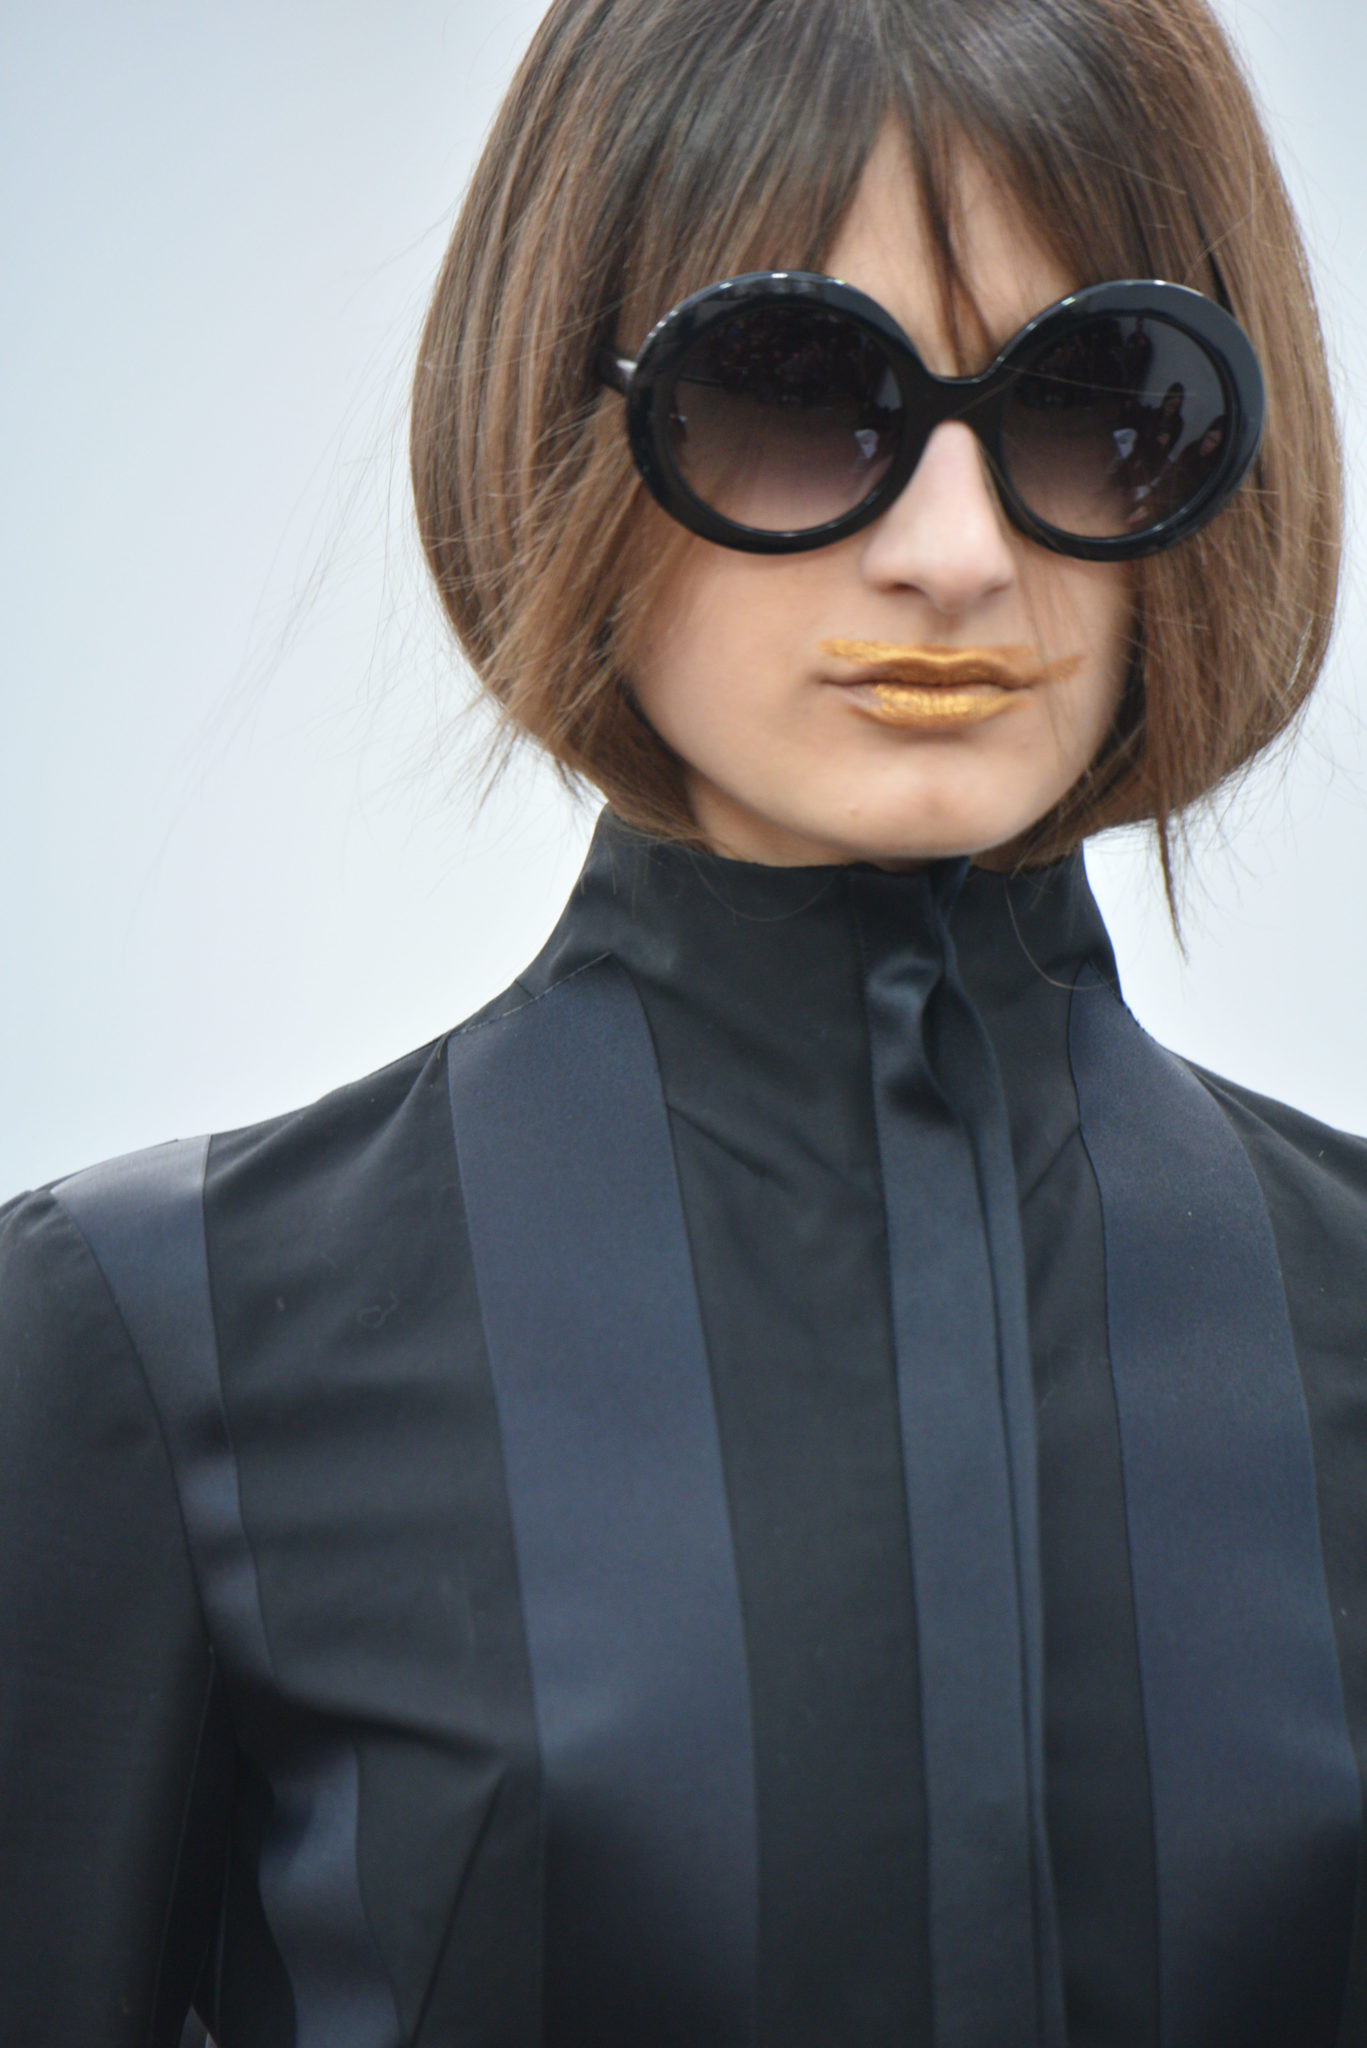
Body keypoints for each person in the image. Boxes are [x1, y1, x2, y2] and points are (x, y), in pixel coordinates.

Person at [2, 1, 1363, 2045]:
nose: (956, 555)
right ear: (556, 418)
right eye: (799, 389)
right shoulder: (157, 1340)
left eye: (1100, 399)